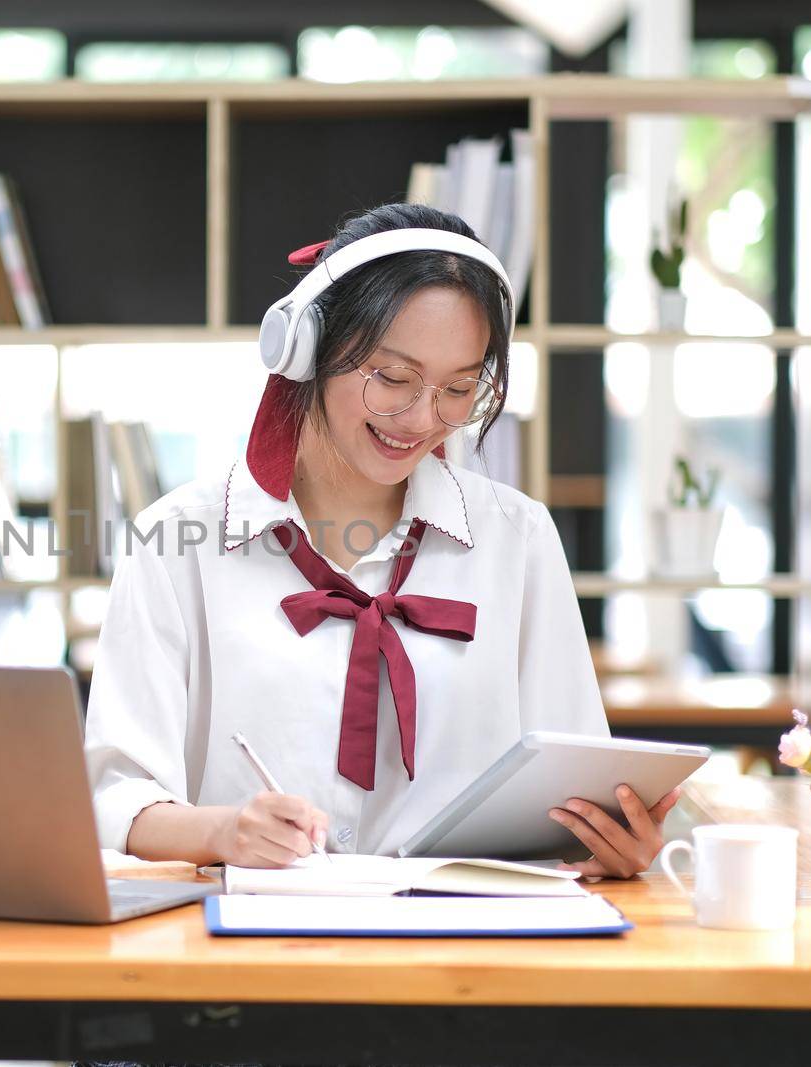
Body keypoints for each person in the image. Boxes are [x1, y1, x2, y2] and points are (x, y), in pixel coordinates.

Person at [83, 202, 677, 878]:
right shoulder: (175, 542)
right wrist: (224, 830)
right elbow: (116, 800)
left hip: (467, 954)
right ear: (309, 349)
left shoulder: (519, 540)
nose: (424, 418)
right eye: (393, 378)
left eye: (458, 388)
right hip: (244, 950)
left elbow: (576, 789)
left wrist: (614, 842)